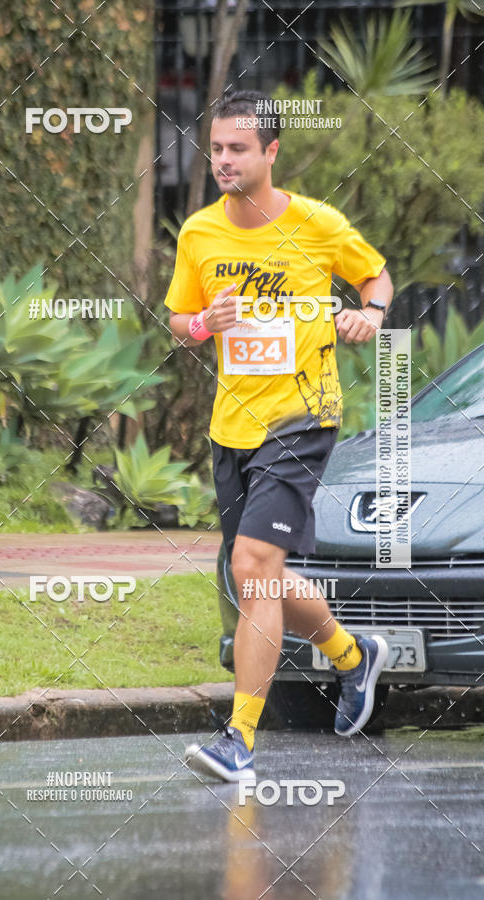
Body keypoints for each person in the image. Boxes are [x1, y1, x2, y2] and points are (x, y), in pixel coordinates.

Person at [164, 90, 393, 784]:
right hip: (231, 425)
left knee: (253, 565)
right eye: (216, 148)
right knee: (259, 575)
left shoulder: (319, 225)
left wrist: (371, 316)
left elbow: (375, 275)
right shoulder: (199, 233)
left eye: (237, 148)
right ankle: (356, 658)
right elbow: (179, 319)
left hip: (302, 415)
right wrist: (207, 322)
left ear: (271, 151)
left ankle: (238, 740)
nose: (223, 160)